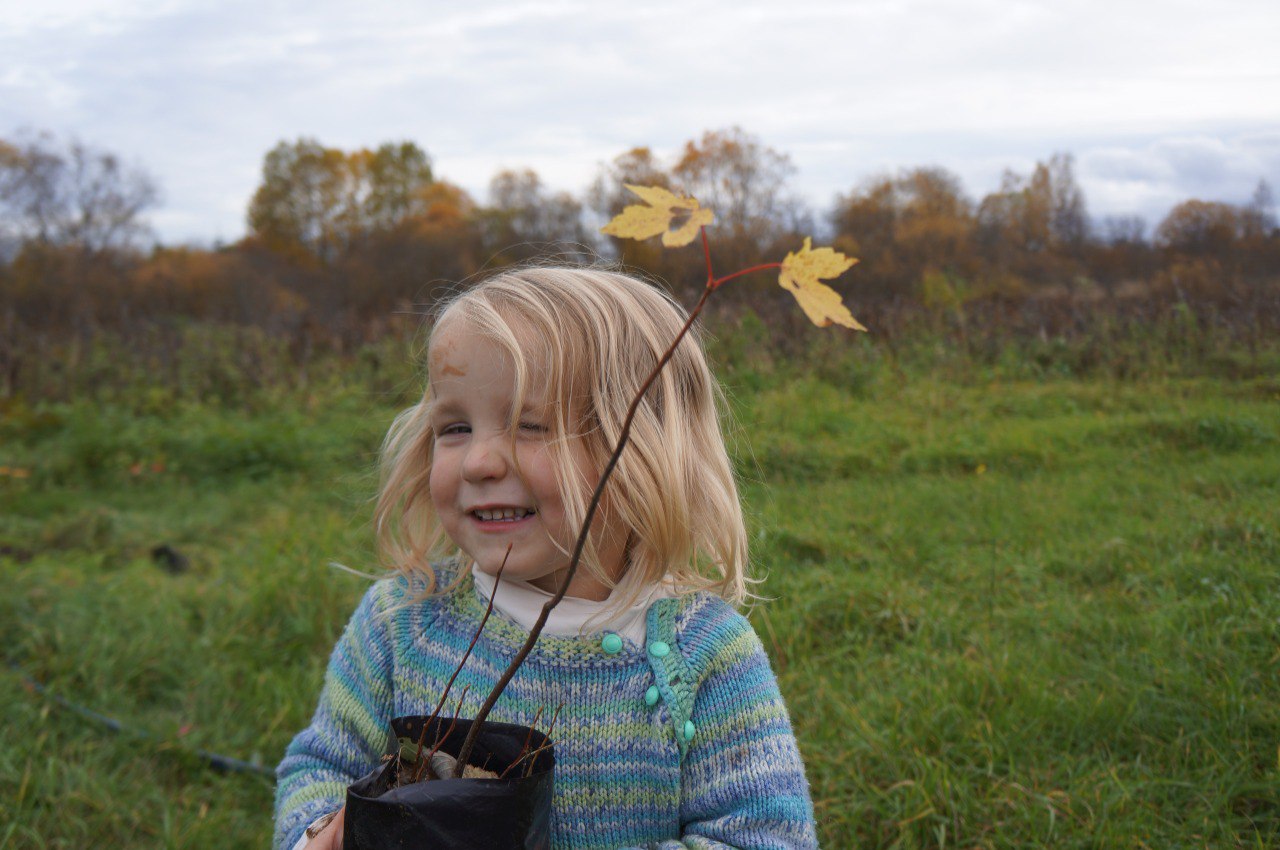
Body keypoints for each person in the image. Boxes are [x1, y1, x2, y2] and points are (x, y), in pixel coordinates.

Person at [274, 267, 817, 849]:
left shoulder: (703, 656)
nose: (480, 461)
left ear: (640, 452)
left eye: (529, 426)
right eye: (455, 427)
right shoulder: (401, 622)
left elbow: (764, 836)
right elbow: (322, 766)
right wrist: (319, 834)